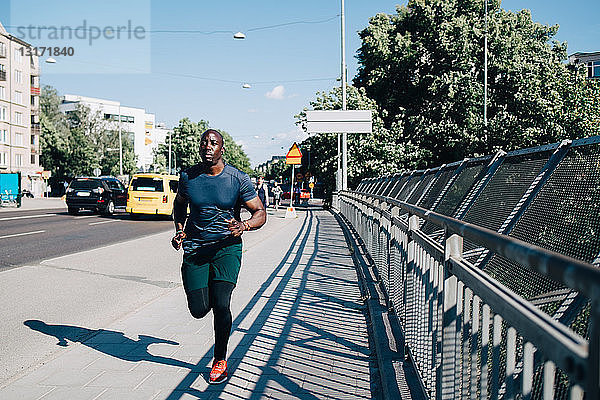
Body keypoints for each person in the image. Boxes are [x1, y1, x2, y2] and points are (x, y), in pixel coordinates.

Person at [171, 129, 266, 385]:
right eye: (204, 143)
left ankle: (220, 360)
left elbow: (260, 212)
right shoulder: (188, 177)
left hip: (227, 248)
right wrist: (180, 230)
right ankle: (206, 291)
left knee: (221, 304)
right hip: (196, 250)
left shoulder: (237, 179)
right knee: (199, 310)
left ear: (222, 149)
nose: (208, 146)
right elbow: (179, 205)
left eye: (213, 143)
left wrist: (244, 226)